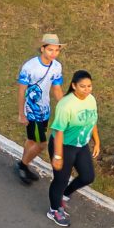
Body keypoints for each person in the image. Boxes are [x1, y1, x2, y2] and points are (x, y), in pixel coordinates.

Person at [47, 70, 100, 225]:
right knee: (60, 180)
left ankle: (64, 195)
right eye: (83, 86)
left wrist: (97, 141)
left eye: (89, 86)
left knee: (88, 176)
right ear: (74, 86)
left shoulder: (91, 99)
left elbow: (92, 120)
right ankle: (54, 210)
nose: (87, 89)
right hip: (63, 146)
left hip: (81, 145)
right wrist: (58, 156)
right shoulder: (66, 105)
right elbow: (59, 132)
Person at [16, 33, 67, 183]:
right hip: (32, 112)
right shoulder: (30, 67)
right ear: (42, 48)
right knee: (41, 144)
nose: (54, 53)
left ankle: (24, 165)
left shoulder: (57, 66)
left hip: (45, 110)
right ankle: (23, 165)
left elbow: (56, 89)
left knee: (32, 140)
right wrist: (21, 114)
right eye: (50, 50)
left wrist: (65, 106)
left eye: (57, 50)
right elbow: (22, 91)